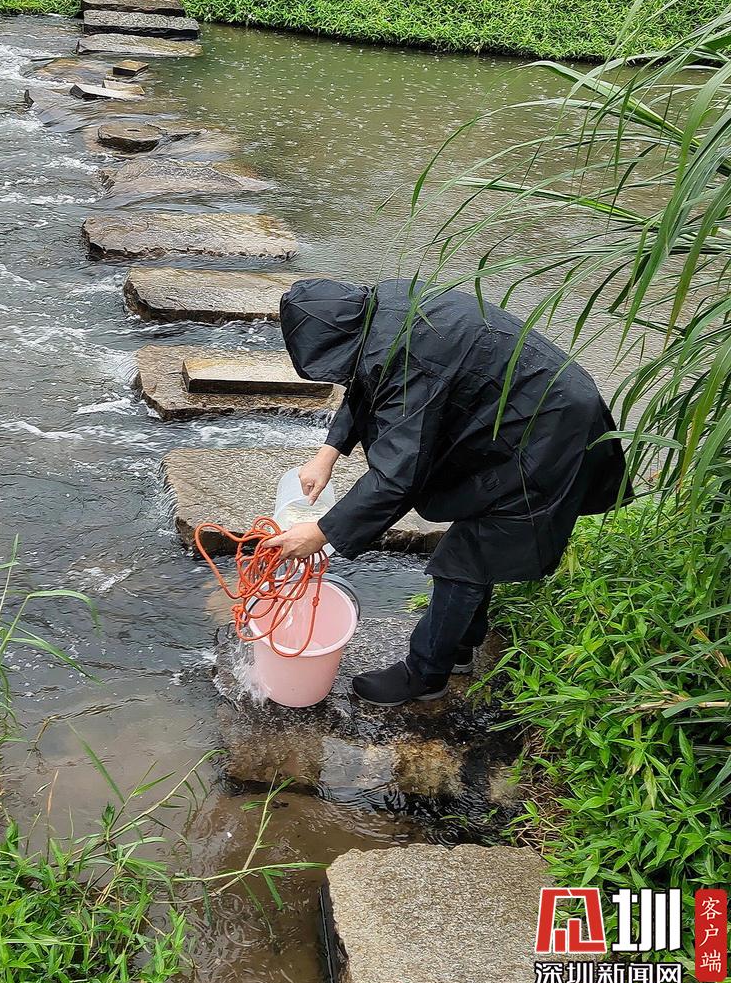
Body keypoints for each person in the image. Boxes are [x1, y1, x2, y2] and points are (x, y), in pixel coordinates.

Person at [262, 277, 629, 709]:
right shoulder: (381, 311)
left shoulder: (410, 359)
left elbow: (395, 477)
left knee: (466, 559)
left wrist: (321, 533)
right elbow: (367, 380)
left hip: (548, 429)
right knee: (479, 541)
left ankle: (426, 674)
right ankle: (460, 645)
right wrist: (328, 453)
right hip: (517, 414)